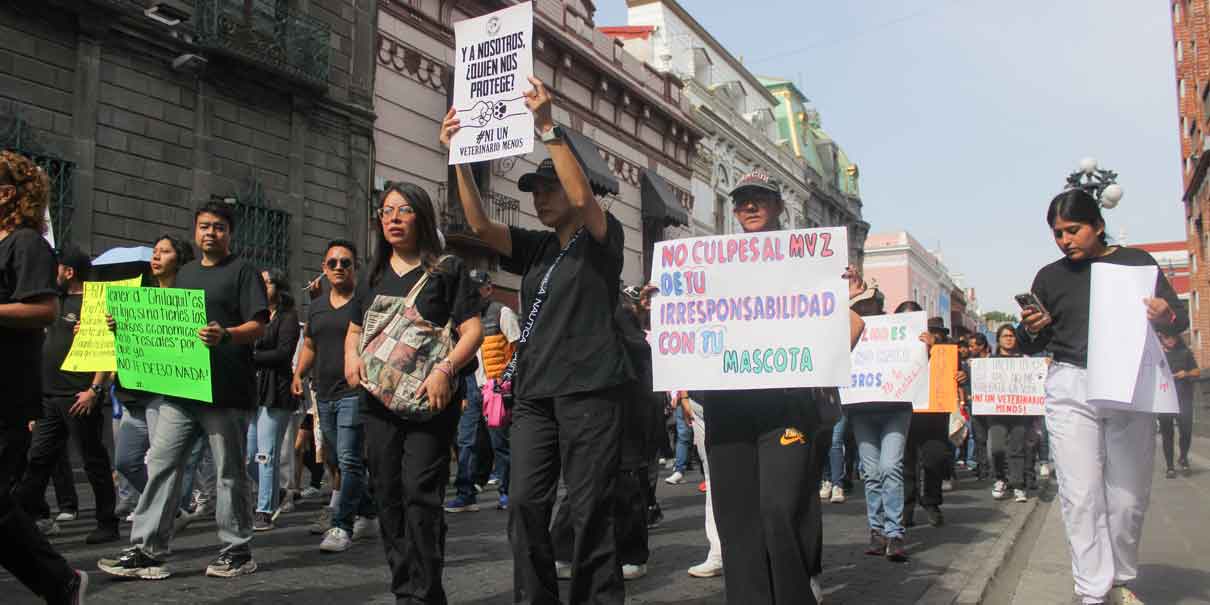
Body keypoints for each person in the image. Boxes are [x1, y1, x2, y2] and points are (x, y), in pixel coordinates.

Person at [441, 77, 635, 605]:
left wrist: (547, 126)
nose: (540, 198)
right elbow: (480, 224)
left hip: (591, 391)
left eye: (547, 189)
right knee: (525, 504)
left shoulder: (603, 238)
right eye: (533, 191)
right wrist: (460, 157)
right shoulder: (535, 248)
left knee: (590, 509)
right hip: (534, 396)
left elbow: (580, 195)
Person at [687, 169, 865, 605]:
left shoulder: (811, 264)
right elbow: (687, 331)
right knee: (736, 521)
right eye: (742, 198)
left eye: (759, 199)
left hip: (787, 407)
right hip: (727, 408)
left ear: (779, 207)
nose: (749, 206)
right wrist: (666, 301)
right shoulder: (710, 266)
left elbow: (850, 328)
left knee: (779, 511)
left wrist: (849, 302)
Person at [1017, 188, 1186, 605]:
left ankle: (1121, 578)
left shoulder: (1137, 262)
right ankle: (1093, 590)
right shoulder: (1050, 276)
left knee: (1128, 496)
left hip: (1129, 383)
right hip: (1071, 384)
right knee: (1081, 494)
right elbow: (1028, 342)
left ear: (1098, 225)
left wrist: (1165, 316)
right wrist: (1034, 327)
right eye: (1057, 233)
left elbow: (1176, 316)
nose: (1065, 240)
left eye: (1073, 230)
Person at [98, 200, 269, 580]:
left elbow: (259, 325)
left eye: (219, 227)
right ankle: (146, 550)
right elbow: (164, 326)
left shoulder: (244, 272)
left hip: (226, 392)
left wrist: (227, 335)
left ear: (230, 233)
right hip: (181, 390)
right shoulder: (185, 273)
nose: (211, 232)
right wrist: (123, 326)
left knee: (228, 473)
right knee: (160, 465)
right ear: (196, 231)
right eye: (205, 226)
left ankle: (237, 549)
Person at [344, 182, 483, 603]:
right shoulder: (371, 273)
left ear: (421, 216)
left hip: (430, 406)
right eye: (386, 212)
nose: (393, 219)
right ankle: (405, 591)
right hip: (378, 405)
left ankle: (426, 594)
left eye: (403, 211)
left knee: (420, 498)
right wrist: (351, 359)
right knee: (387, 496)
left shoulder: (446, 270)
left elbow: (472, 330)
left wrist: (446, 368)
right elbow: (354, 330)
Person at [0, 149, 88, 603]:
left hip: (6, 396)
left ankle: (61, 581)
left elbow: (44, 308)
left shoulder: (27, 243)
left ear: (6, 194)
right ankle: (59, 581)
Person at [14, 243, 121, 544]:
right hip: (48, 396)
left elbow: (104, 350)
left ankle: (107, 522)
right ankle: (26, 518)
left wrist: (94, 389)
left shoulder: (96, 304)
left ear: (69, 271)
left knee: (92, 460)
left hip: (79, 395)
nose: (51, 273)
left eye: (56, 267)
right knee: (38, 458)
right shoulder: (54, 301)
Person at [293, 239, 378, 551]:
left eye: (346, 263)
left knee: (349, 457)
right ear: (323, 269)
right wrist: (298, 374)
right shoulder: (315, 307)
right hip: (323, 393)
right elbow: (310, 345)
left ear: (355, 268)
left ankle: (341, 525)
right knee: (336, 459)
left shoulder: (366, 302)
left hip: (354, 392)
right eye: (333, 263)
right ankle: (369, 512)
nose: (339, 267)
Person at [110, 235, 195, 515]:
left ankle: (162, 512)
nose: (156, 257)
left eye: (165, 252)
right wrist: (116, 328)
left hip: (165, 393)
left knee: (162, 461)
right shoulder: (141, 296)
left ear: (179, 259)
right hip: (135, 391)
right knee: (126, 460)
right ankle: (166, 504)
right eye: (155, 251)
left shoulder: (188, 297)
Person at [847, 278, 913, 562]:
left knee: (890, 467)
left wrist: (927, 345)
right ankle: (878, 531)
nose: (866, 306)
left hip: (895, 408)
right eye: (860, 303)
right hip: (861, 409)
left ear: (879, 303)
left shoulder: (900, 330)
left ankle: (895, 532)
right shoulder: (846, 330)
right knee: (872, 473)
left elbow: (919, 361)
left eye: (870, 301)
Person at [245, 268, 300, 531]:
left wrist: (251, 356)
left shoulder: (287, 317)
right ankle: (275, 491)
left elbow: (283, 353)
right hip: (253, 389)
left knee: (265, 454)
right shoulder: (255, 316)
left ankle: (264, 508)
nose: (262, 286)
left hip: (275, 390)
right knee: (247, 456)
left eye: (267, 282)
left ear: (279, 288)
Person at [903, 311, 953, 528]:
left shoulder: (945, 354)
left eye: (936, 333)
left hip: (934, 417)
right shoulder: (902, 351)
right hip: (906, 414)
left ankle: (931, 502)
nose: (932, 336)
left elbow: (953, 375)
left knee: (935, 458)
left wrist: (962, 376)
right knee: (906, 464)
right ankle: (906, 508)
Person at [985, 325, 1034, 503]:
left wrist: (1043, 366)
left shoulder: (1025, 360)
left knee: (1017, 449)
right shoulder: (989, 361)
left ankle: (1018, 485)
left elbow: (1036, 378)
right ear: (998, 339)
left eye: (1012, 336)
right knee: (997, 448)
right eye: (1005, 336)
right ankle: (1000, 478)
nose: (1008, 339)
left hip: (1019, 413)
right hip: (997, 414)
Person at [1158, 331, 1197, 478]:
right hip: (1165, 400)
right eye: (1167, 337)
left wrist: (1185, 374)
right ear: (1162, 338)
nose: (1170, 340)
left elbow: (1197, 371)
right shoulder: (1158, 355)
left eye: (1172, 336)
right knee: (1167, 434)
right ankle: (1170, 467)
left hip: (1183, 398)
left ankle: (1183, 456)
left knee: (1186, 430)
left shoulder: (1185, 353)